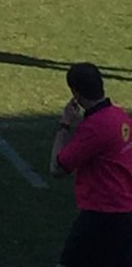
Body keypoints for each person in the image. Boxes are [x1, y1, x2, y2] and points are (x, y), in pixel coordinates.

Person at [50, 62, 132, 267]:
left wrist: (65, 125)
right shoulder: (120, 115)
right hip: (125, 210)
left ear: (76, 94)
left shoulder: (95, 128)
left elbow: (57, 168)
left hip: (102, 215)